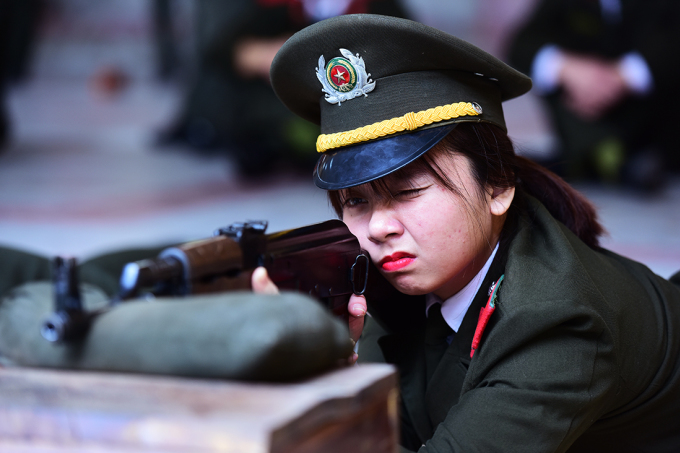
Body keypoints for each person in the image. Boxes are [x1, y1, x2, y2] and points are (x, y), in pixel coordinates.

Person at [258, 14, 680, 451]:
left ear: (497, 186)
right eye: (355, 201)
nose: (379, 228)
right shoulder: (403, 276)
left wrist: (302, 387)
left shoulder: (556, 322)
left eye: (409, 191)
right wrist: (331, 366)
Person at [156, 0, 407, 177]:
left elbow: (403, 54)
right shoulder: (287, 8)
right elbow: (223, 50)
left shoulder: (377, 8)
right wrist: (261, 53)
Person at [507, 0, 680, 190]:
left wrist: (622, 77)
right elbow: (522, 44)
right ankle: (610, 162)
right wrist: (567, 68)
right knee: (549, 71)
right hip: (580, 109)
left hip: (654, 118)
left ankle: (594, 161)